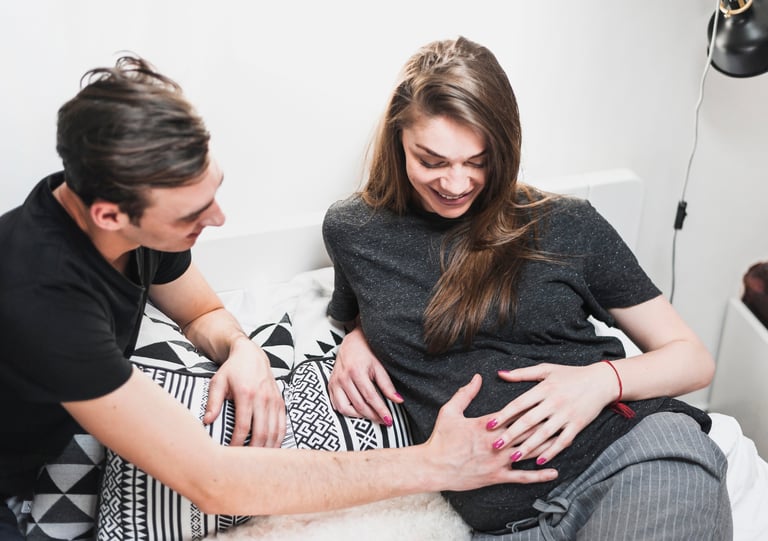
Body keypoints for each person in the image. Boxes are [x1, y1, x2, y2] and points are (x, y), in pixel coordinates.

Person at [0, 55, 559, 540]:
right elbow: (213, 481)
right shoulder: (43, 298)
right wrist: (432, 464)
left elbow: (201, 312)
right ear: (109, 216)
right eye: (193, 214)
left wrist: (241, 349)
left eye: (214, 191)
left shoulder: (114, 198)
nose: (219, 219)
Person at [323, 36, 733, 540]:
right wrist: (360, 336)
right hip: (505, 528)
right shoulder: (354, 232)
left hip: (629, 458)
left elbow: (692, 358)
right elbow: (378, 305)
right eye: (432, 161)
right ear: (397, 141)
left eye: (478, 161)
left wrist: (599, 381)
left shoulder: (565, 224)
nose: (456, 183)